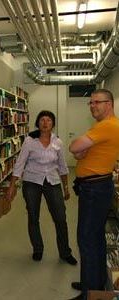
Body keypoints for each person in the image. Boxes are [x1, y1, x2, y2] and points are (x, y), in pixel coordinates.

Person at [8, 110, 77, 265]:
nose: (45, 123)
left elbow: (63, 166)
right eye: (42, 120)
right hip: (32, 181)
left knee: (60, 217)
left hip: (52, 182)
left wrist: (66, 187)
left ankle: (65, 252)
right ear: (38, 123)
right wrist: (12, 185)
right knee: (33, 216)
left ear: (53, 124)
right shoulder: (29, 141)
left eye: (49, 120)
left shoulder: (57, 142)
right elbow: (20, 163)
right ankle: (38, 249)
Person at [69, 89, 119, 300]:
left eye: (97, 102)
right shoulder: (104, 126)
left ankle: (88, 293)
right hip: (98, 186)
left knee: (87, 239)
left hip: (95, 189)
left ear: (109, 104)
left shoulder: (107, 125)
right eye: (90, 103)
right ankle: (95, 283)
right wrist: (82, 152)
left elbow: (75, 147)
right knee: (96, 237)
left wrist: (80, 150)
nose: (92, 106)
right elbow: (81, 152)